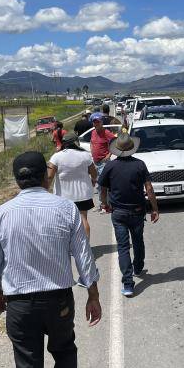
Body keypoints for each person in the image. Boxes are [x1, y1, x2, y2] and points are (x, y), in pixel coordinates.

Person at [0, 151, 102, 368]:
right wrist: (92, 295)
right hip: (58, 301)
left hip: (20, 306)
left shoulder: (1, 214)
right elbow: (83, 257)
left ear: (17, 180)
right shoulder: (66, 208)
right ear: (46, 178)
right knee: (64, 353)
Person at [98, 132, 159, 297]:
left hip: (118, 212)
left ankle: (128, 283)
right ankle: (138, 267)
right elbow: (149, 189)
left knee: (123, 247)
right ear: (132, 148)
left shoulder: (110, 166)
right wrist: (154, 209)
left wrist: (104, 204)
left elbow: (102, 188)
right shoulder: (140, 165)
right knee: (138, 241)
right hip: (138, 211)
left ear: (117, 149)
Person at [48, 132, 98, 240]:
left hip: (63, 196)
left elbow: (49, 176)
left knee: (66, 222)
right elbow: (94, 173)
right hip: (83, 194)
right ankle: (85, 246)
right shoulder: (85, 155)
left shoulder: (56, 157)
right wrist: (93, 180)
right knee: (83, 219)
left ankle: (69, 246)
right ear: (76, 142)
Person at [89, 113, 115, 198]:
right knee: (99, 185)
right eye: (94, 122)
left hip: (104, 162)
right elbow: (91, 142)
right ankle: (104, 204)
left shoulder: (106, 132)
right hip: (96, 162)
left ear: (101, 122)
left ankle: (106, 205)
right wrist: (92, 150)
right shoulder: (93, 132)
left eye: (98, 122)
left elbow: (115, 142)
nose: (96, 124)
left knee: (103, 184)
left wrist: (109, 154)